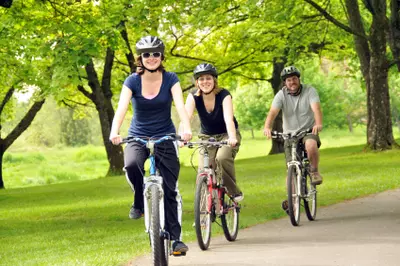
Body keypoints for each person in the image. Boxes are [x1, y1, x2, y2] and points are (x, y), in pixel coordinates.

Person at [109, 36, 192, 254]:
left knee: (170, 188)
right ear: (140, 58)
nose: (151, 58)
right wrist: (114, 131)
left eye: (156, 54)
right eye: (147, 54)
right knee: (131, 164)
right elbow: (121, 108)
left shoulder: (171, 78)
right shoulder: (132, 81)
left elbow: (181, 106)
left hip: (165, 135)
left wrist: (185, 127)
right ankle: (138, 200)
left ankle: (176, 239)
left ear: (162, 56)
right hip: (138, 135)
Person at [263, 66, 323, 212]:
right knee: (291, 167)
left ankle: (314, 171)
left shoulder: (310, 90)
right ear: (285, 83)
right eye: (289, 80)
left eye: (294, 79)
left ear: (298, 79)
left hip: (308, 130)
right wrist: (267, 127)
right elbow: (273, 112)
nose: (292, 82)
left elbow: (316, 108)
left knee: (311, 146)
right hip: (290, 135)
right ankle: (292, 198)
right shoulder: (281, 95)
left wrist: (318, 123)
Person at [183, 63, 243, 201]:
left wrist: (232, 137)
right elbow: (186, 118)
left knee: (221, 158)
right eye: (201, 79)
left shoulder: (224, 94)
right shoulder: (193, 96)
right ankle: (204, 215)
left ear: (214, 80)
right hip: (207, 137)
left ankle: (233, 191)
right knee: (203, 171)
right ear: (197, 82)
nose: (205, 82)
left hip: (226, 134)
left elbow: (229, 119)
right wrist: (183, 136)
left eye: (208, 78)